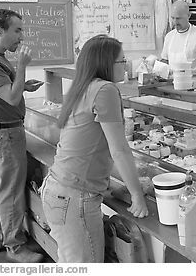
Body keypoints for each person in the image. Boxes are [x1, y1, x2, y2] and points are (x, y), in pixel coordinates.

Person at [41, 35, 148, 263]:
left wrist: (120, 181)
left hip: (58, 189)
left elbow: (93, 147)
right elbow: (118, 149)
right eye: (122, 60)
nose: (126, 64)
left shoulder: (83, 87)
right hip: (74, 197)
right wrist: (137, 195)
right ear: (106, 63)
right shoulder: (105, 90)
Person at [0, 9, 45, 263]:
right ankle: (15, 247)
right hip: (5, 134)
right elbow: (12, 99)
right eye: (17, 30)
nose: (21, 37)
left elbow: (5, 91)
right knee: (11, 192)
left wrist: (21, 82)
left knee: (0, 187)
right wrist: (22, 67)